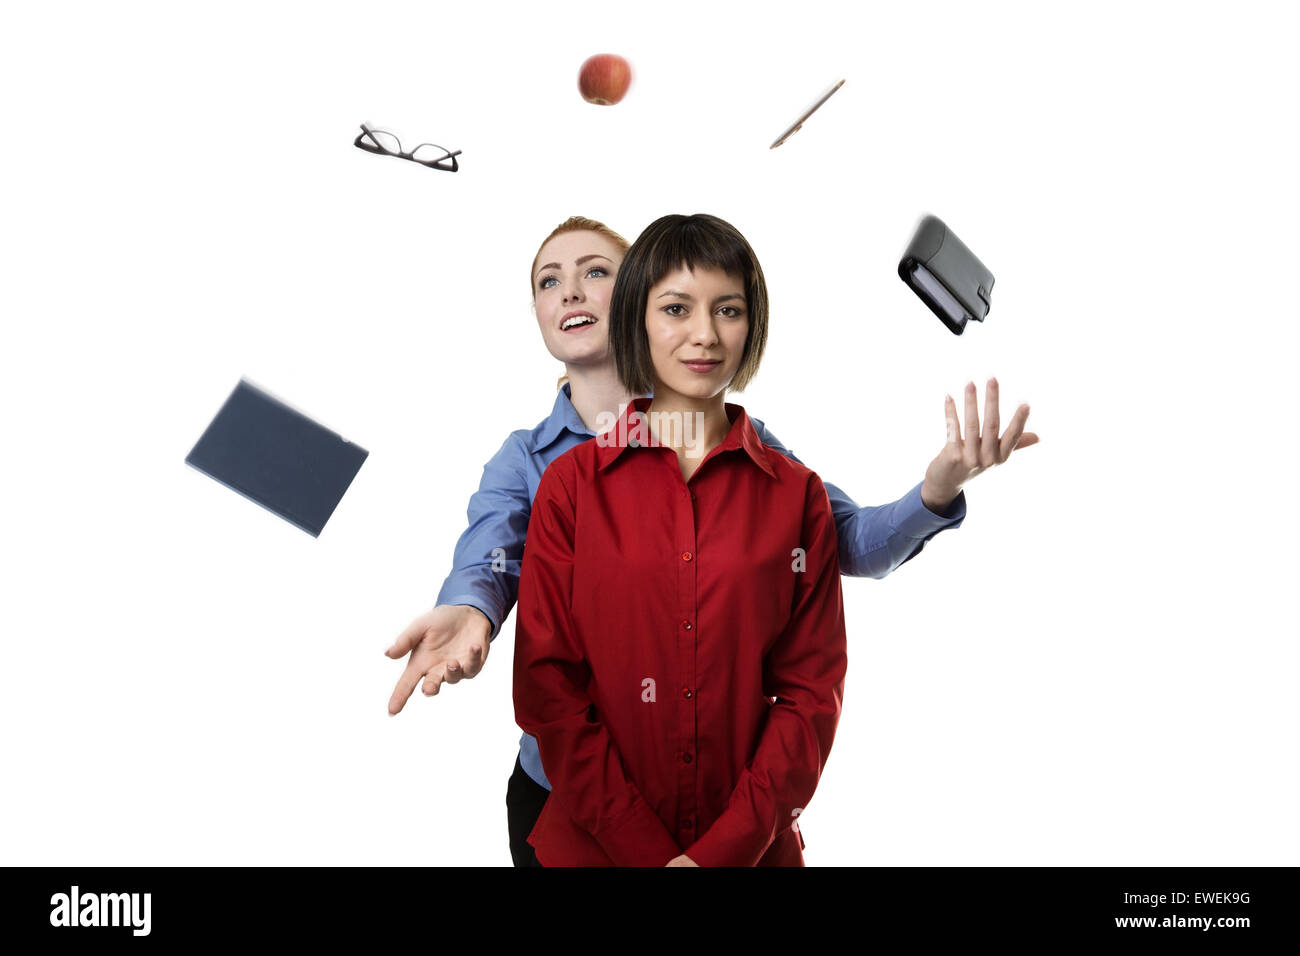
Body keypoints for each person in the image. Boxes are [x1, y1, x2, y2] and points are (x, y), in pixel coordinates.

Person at [384, 215, 1036, 866]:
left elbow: (840, 557)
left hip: (736, 824)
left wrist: (935, 492)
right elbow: (494, 556)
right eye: (550, 281)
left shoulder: (770, 472)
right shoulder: (541, 467)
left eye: (596, 272)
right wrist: (472, 606)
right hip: (575, 802)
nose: (572, 292)